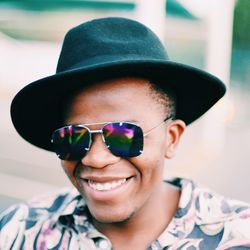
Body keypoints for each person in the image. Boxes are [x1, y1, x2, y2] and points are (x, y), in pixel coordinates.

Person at [1, 17, 250, 250]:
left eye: (123, 135)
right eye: (74, 137)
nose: (95, 159)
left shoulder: (237, 236)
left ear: (171, 138)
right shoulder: (20, 231)